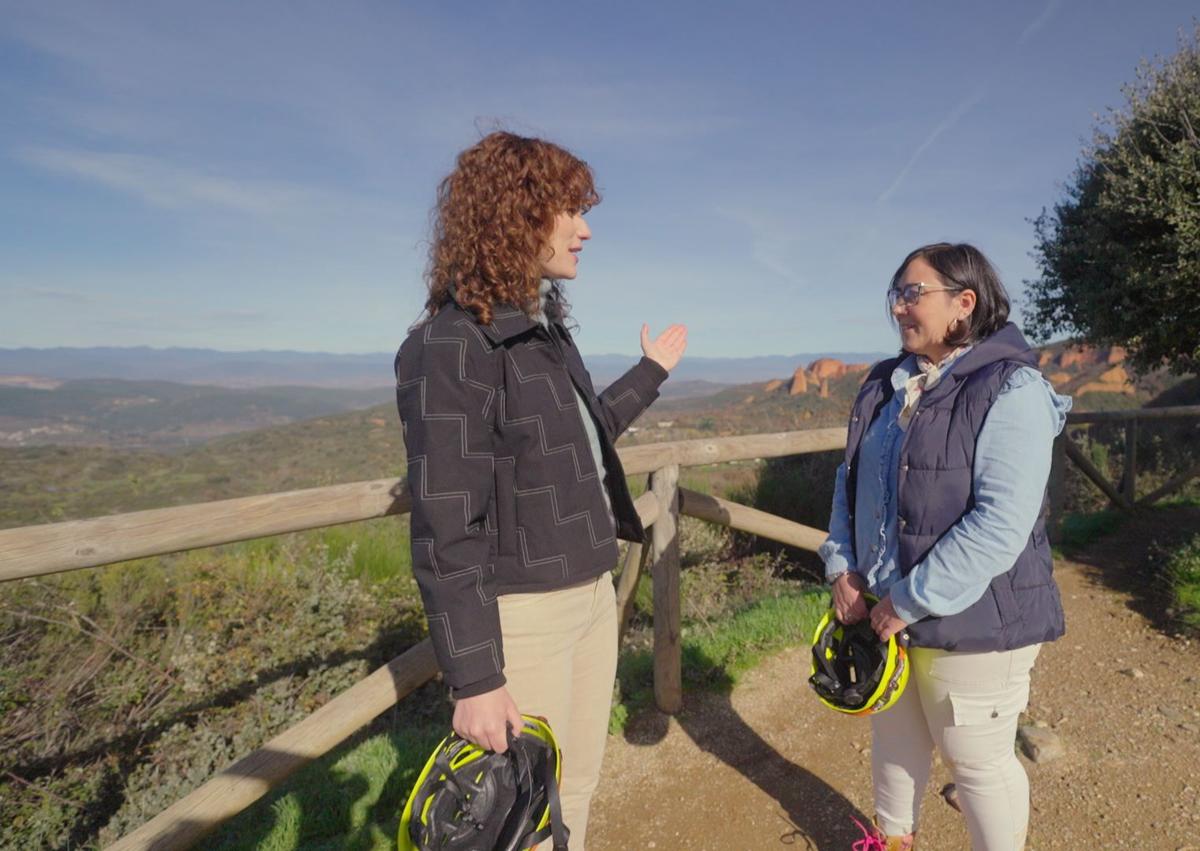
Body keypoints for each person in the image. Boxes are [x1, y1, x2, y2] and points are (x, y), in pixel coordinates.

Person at [394, 131, 687, 849]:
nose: (584, 228)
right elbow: (446, 524)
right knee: (514, 819)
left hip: (588, 596)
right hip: (523, 618)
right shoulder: (452, 345)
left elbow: (583, 440)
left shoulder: (541, 335)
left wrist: (650, 371)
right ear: (515, 214)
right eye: (568, 209)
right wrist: (475, 678)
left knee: (574, 789)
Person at [819, 242, 1071, 851]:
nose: (899, 308)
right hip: (885, 612)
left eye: (913, 294)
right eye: (895, 295)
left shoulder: (1013, 389)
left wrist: (909, 599)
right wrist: (841, 567)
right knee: (896, 743)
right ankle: (891, 844)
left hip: (974, 618)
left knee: (977, 762)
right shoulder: (885, 383)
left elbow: (1000, 524)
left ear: (965, 302)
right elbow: (849, 482)